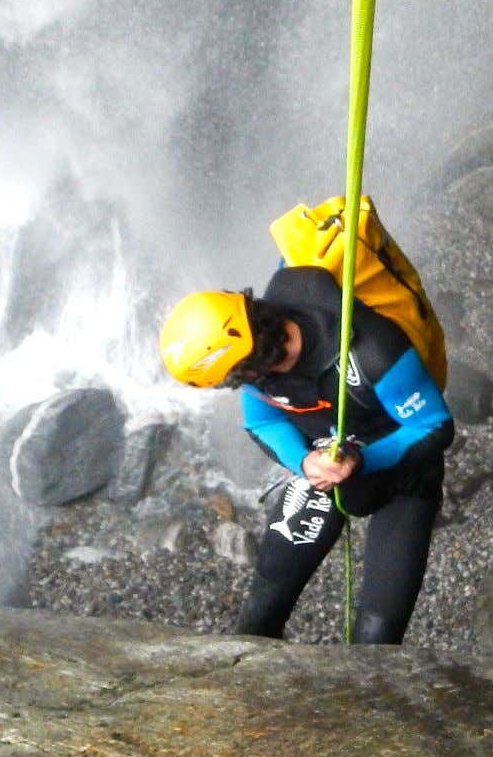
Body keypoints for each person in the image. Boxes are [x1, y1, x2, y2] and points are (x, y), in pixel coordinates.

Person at [158, 265, 454, 644]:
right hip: (322, 462)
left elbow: (434, 425)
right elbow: (263, 421)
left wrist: (361, 460)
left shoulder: (373, 352)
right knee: (260, 614)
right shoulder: (257, 358)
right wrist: (303, 461)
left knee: (377, 637)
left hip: (404, 473)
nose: (235, 386)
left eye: (232, 378)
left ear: (246, 361)